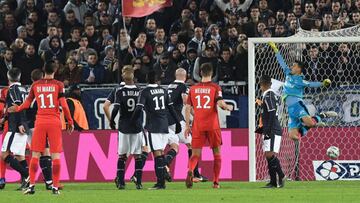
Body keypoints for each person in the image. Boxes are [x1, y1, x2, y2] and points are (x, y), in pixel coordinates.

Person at [8, 60, 74, 195]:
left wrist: (17, 108)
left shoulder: (35, 85)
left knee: (35, 155)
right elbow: (64, 105)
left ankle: (31, 186)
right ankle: (55, 187)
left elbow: (26, 104)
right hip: (54, 122)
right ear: (55, 70)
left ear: (44, 70)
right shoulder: (58, 85)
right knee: (55, 155)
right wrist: (70, 121)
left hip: (40, 122)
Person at [268, 42, 337, 141]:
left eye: (294, 66)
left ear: (299, 69)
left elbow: (311, 84)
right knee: (293, 137)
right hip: (290, 110)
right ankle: (312, 123)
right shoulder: (288, 73)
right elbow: (281, 62)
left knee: (311, 123)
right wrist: (275, 50)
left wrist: (323, 83)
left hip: (297, 106)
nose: (291, 67)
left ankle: (323, 115)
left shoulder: (300, 80)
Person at [185, 63, 233, 189]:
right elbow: (220, 102)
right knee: (217, 154)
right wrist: (226, 106)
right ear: (211, 74)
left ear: (200, 73)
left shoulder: (193, 89)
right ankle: (216, 182)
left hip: (198, 125)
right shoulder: (215, 87)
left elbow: (188, 107)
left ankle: (190, 170)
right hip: (212, 125)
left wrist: (187, 126)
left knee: (195, 154)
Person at [131, 71, 181, 190]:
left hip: (153, 126)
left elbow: (139, 108)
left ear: (147, 79)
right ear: (158, 80)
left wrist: (132, 120)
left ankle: (160, 183)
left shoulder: (145, 92)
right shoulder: (163, 91)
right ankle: (162, 179)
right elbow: (171, 108)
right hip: (165, 126)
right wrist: (178, 122)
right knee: (160, 154)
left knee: (157, 154)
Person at [165, 68, 208, 183]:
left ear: (175, 75)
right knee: (192, 145)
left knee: (173, 145)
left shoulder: (169, 86)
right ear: (185, 76)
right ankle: (195, 174)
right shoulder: (184, 87)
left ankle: (165, 165)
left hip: (165, 120)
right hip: (176, 119)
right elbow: (185, 101)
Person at [109, 66, 144, 190]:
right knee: (138, 155)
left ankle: (121, 182)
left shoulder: (120, 91)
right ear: (133, 76)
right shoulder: (140, 91)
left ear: (123, 76)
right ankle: (139, 182)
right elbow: (141, 108)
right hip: (137, 127)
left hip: (124, 126)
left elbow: (116, 107)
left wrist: (112, 120)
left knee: (122, 155)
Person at [26, 69, 55, 190]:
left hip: (30, 126)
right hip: (36, 126)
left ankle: (47, 181)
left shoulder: (29, 90)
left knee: (43, 152)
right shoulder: (39, 91)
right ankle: (33, 180)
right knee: (43, 152)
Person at [1, 68, 30, 190]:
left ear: (8, 77)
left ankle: (28, 176)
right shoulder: (24, 89)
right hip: (21, 125)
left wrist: (20, 123)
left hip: (15, 127)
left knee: (4, 155)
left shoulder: (12, 89)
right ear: (19, 76)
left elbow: (18, 107)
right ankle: (26, 182)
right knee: (19, 155)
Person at [258, 75, 285, 188]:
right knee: (267, 154)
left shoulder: (268, 95)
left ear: (262, 85)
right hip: (271, 127)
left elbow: (272, 112)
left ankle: (281, 175)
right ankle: (273, 182)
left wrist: (267, 129)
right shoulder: (270, 95)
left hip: (272, 128)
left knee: (270, 154)